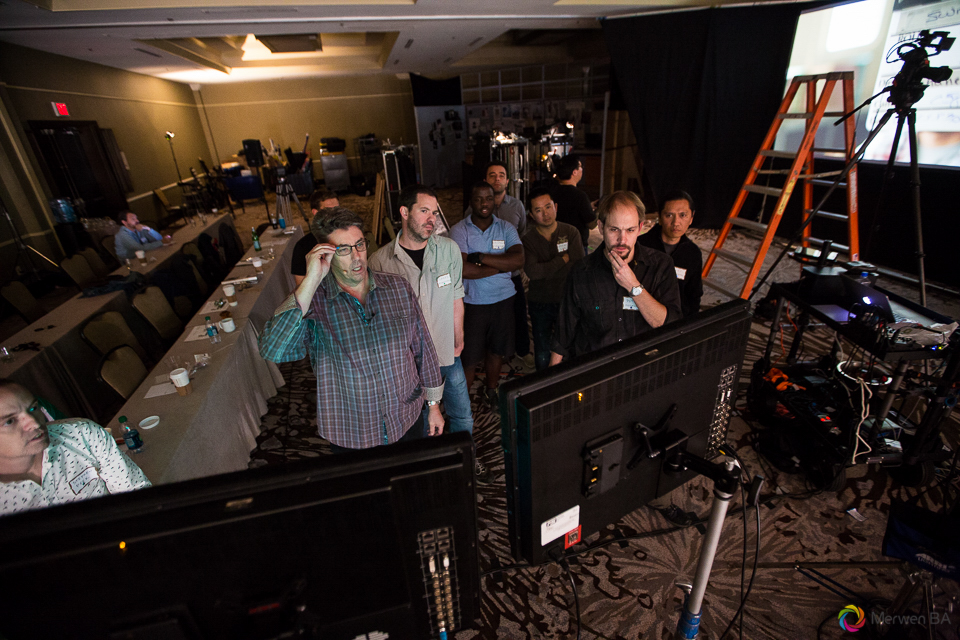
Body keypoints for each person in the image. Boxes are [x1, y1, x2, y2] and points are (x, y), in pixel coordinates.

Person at [259, 207, 444, 451]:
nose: (356, 256)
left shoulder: (398, 288)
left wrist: (433, 406)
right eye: (343, 250)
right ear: (325, 254)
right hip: (353, 432)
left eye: (360, 245)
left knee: (409, 486)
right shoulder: (315, 302)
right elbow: (273, 350)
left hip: (406, 419)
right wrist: (311, 280)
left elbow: (423, 349)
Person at [369, 185, 489, 481]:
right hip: (407, 360)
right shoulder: (380, 262)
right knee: (420, 420)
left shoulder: (448, 250)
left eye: (435, 213)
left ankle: (466, 457)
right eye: (425, 211)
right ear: (404, 212)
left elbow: (456, 296)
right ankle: (431, 469)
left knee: (461, 413)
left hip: (447, 352)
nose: (432, 219)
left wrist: (459, 334)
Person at [550, 191, 682, 365]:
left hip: (642, 369)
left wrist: (633, 285)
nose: (622, 239)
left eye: (630, 230)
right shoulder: (581, 272)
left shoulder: (661, 266)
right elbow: (563, 333)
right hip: (596, 371)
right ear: (601, 227)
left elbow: (669, 325)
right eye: (614, 230)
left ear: (640, 228)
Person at [0, 380, 150, 516]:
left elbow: (136, 493)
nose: (34, 423)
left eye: (33, 409)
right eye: (10, 421)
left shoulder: (81, 434)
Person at [450, 182, 524, 408]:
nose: (484, 203)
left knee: (496, 351)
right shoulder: (459, 230)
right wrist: (502, 266)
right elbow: (462, 269)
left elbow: (519, 260)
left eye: (489, 199)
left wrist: (480, 256)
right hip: (473, 304)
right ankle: (462, 402)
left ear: (495, 201)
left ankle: (491, 390)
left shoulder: (506, 227)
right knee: (469, 358)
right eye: (479, 199)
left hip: (503, 302)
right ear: (471, 202)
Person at [465, 161, 530, 360]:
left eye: (501, 175)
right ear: (486, 180)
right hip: (480, 278)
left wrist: (520, 268)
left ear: (507, 181)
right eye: (492, 175)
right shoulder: (471, 209)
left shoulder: (517, 206)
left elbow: (522, 237)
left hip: (513, 275)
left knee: (517, 315)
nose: (497, 179)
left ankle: (521, 352)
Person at [522, 187, 584, 371]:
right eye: (538, 210)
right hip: (540, 301)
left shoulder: (571, 232)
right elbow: (533, 272)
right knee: (542, 348)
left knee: (571, 344)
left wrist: (547, 267)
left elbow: (578, 265)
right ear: (531, 214)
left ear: (556, 206)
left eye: (548, 207)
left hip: (568, 299)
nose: (545, 214)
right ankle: (543, 385)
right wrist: (562, 259)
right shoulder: (528, 240)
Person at [638, 189, 703, 318]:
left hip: (675, 321)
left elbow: (694, 296)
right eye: (669, 215)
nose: (676, 222)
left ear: (691, 218)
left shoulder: (692, 254)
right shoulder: (640, 245)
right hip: (641, 318)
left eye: (683, 215)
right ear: (660, 218)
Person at [291, 188, 340, 286]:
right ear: (315, 212)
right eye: (329, 210)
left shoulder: (349, 236)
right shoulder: (303, 247)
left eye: (338, 209)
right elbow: (301, 288)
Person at [551, 154, 597, 249]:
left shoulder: (552, 193)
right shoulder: (580, 196)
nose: (582, 169)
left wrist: (589, 206)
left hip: (556, 243)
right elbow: (592, 224)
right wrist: (599, 210)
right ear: (574, 172)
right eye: (580, 166)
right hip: (576, 245)